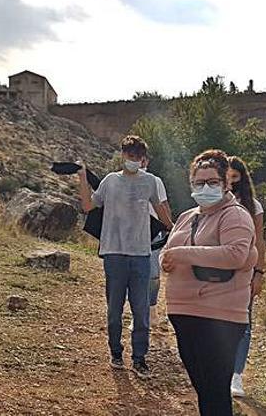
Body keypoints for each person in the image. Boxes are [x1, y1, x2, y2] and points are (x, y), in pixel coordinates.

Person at [161, 150, 257, 416]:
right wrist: (166, 260)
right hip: (184, 312)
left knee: (215, 392)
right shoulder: (186, 217)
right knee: (204, 390)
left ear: (226, 183)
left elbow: (236, 254)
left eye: (212, 181)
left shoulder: (234, 215)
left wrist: (181, 255)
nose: (205, 187)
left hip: (219, 318)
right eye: (199, 182)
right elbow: (167, 251)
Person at [76, 135, 173, 379]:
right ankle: (116, 352)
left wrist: (175, 229)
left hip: (141, 253)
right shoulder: (110, 181)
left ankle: (139, 358)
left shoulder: (150, 181)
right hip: (114, 253)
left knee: (141, 310)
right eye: (130, 156)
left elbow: (162, 213)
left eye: (138, 157)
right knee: (114, 309)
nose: (134, 161)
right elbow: (89, 206)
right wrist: (82, 178)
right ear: (123, 155)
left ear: (143, 159)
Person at [226, 155, 266, 398]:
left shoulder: (254, 207)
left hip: (245, 271)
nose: (231, 182)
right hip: (218, 272)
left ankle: (237, 374)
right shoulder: (216, 202)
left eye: (235, 177)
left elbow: (259, 242)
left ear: (242, 178)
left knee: (244, 323)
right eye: (227, 177)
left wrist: (259, 273)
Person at [142, 155, 172, 330]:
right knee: (134, 273)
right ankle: (140, 313)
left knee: (153, 275)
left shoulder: (155, 181)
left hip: (154, 233)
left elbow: (163, 204)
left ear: (146, 161)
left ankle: (152, 312)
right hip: (130, 233)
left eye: (143, 159)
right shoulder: (117, 179)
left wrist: (170, 227)